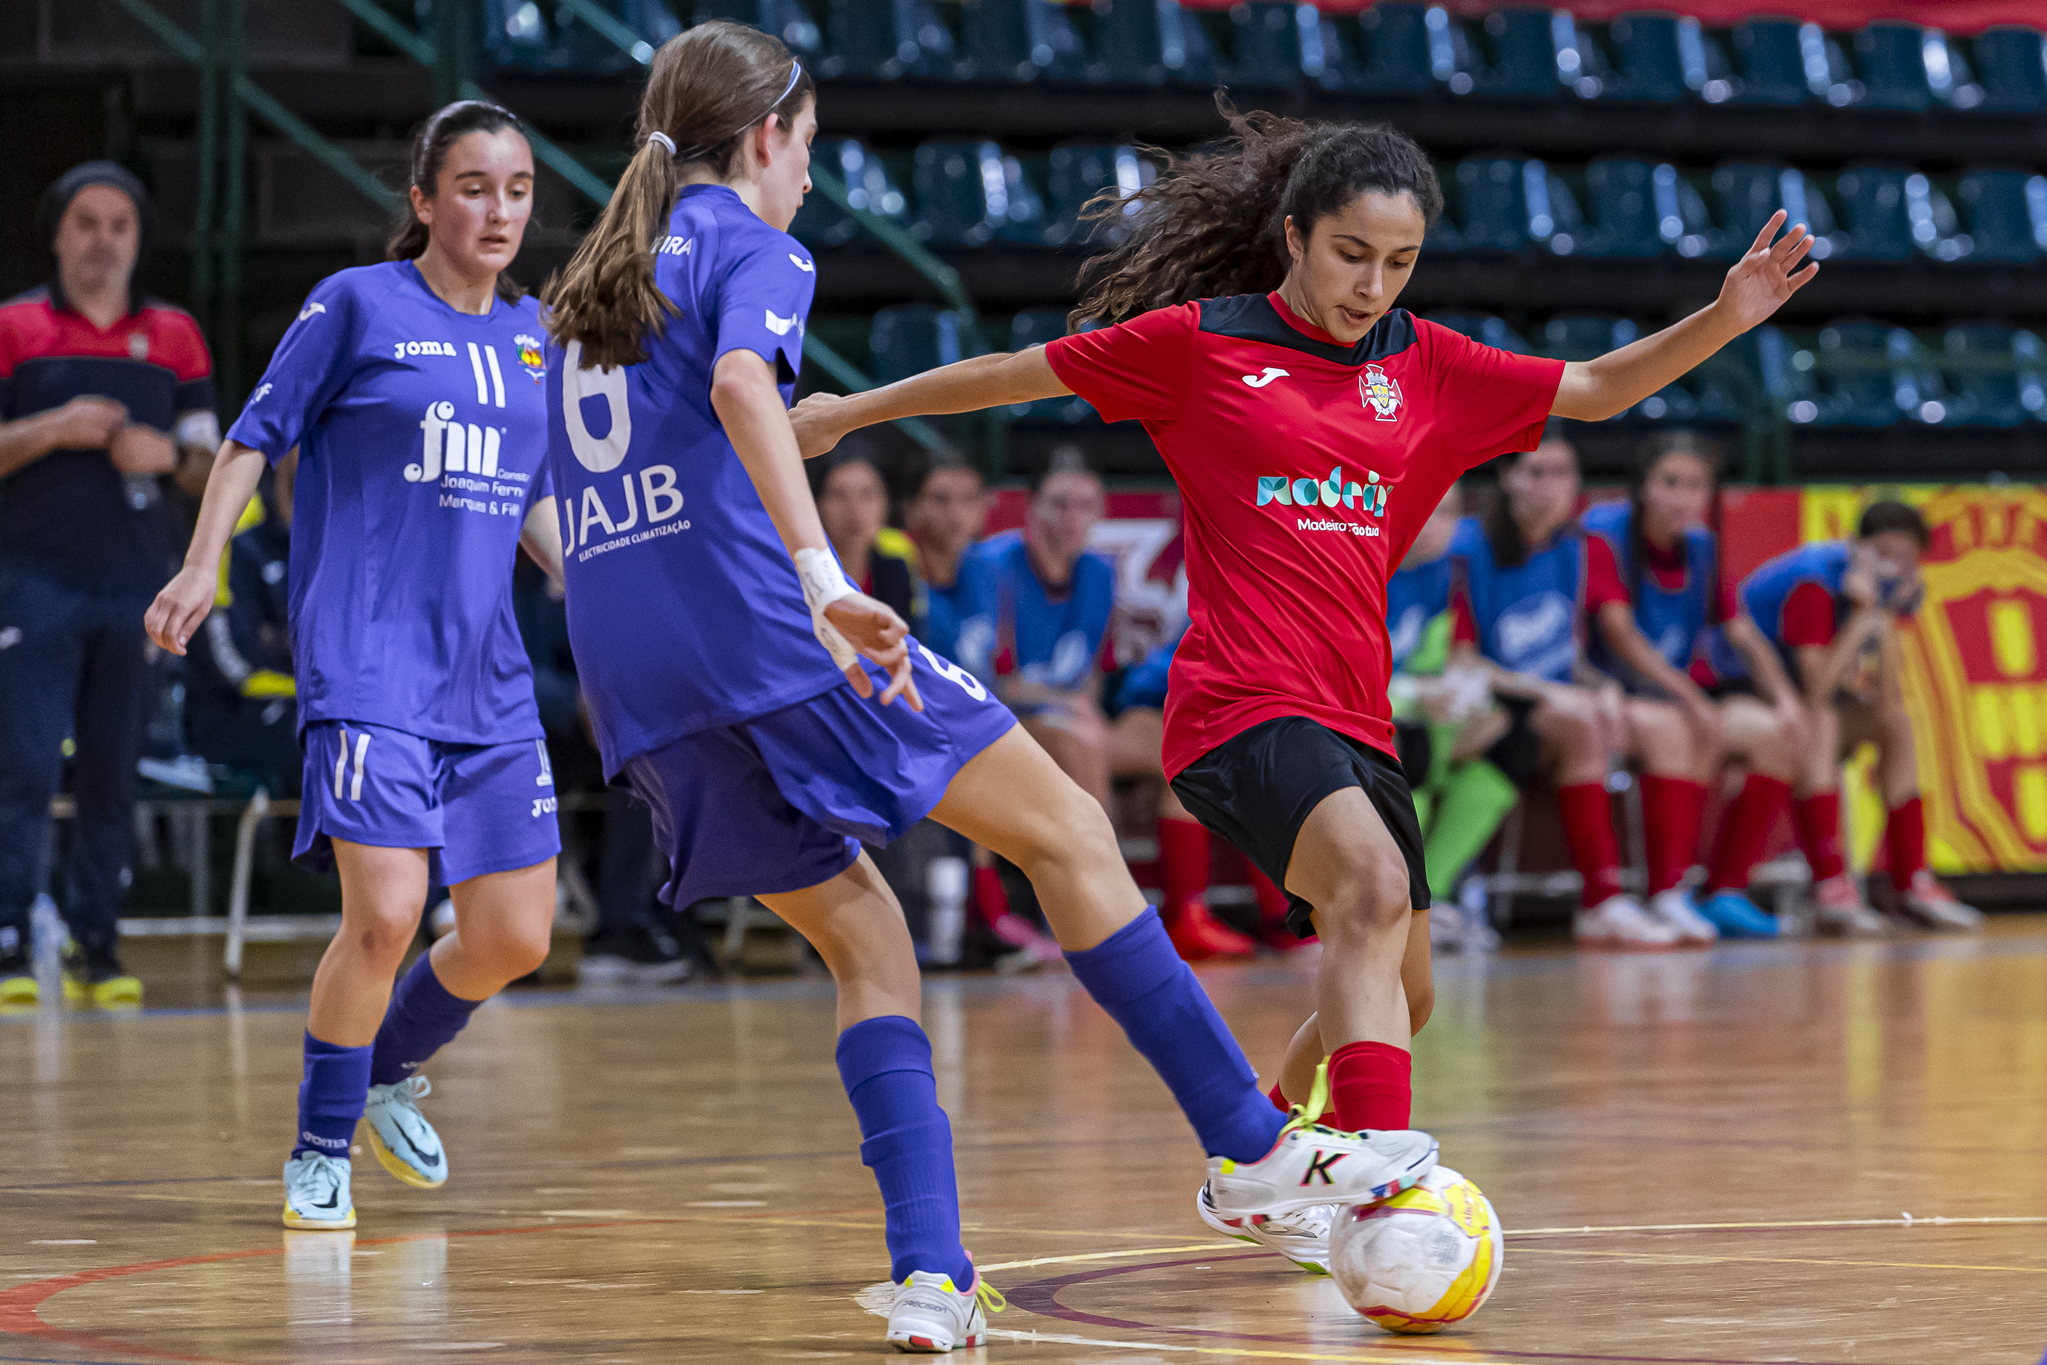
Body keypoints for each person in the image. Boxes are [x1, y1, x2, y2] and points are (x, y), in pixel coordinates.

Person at [792, 98, 1816, 1265]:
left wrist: (1724, 319)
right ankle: (1377, 1207)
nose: (1372, 284)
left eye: (1398, 262)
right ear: (1292, 236)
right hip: (1237, 704)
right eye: (1350, 254)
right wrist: (847, 411)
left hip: (1355, 723)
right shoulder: (1200, 345)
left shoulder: (1425, 364)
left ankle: (1265, 1153)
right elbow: (1009, 375)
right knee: (1370, 893)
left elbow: (1592, 390)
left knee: (1401, 989)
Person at [541, 29, 1439, 1349]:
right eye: (812, 143)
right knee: (1070, 831)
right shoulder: (748, 246)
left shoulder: (589, 284)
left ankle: (931, 1280)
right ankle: (1252, 1149)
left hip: (639, 680)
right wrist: (816, 575)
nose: (809, 174)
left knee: (869, 945)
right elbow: (743, 382)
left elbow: (560, 496)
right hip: (771, 639)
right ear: (771, 139)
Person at [145, 100, 565, 1232]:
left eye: (517, 189)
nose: (498, 210)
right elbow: (250, 437)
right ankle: (320, 1147)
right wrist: (201, 567)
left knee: (517, 935)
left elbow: (534, 497)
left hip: (488, 677)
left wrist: (595, 585)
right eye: (473, 187)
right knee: (386, 912)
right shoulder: (357, 305)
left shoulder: (534, 337)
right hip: (369, 663)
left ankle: (381, 1068)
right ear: (424, 199)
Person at [0, 162, 221, 1008]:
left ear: (137, 239)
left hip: (137, 588)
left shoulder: (174, 336)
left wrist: (167, 455)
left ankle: (99, 943)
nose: (102, 240)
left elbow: (211, 464)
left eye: (118, 225)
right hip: (32, 584)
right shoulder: (16, 325)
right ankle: (11, 941)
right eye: (85, 223)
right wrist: (52, 429)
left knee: (113, 774)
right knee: (21, 769)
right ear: (58, 234)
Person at [1450, 435, 1710, 948]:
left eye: (1561, 473)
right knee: (1581, 721)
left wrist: (1605, 686)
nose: (1548, 487)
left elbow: (1579, 657)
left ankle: (1667, 893)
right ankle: (1601, 902)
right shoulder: (1467, 546)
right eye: (1535, 472)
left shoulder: (1584, 549)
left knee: (1668, 726)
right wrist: (1547, 692)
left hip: (1565, 699)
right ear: (1507, 478)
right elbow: (1463, 659)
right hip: (1491, 702)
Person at [1581, 432, 1805, 939]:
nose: (1682, 497)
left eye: (1695, 485)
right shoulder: (1603, 534)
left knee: (1776, 735)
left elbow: (1740, 630)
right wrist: (1692, 698)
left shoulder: (1702, 546)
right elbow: (1621, 636)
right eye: (1670, 483)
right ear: (1641, 488)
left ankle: (1725, 890)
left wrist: (1786, 699)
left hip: (1679, 696)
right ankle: (1668, 892)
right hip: (1614, 692)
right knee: (1679, 728)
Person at [1737, 501, 1982, 934]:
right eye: (1886, 553)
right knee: (1825, 721)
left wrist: (1883, 614)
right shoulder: (1814, 584)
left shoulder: (1885, 590)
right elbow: (1816, 689)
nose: (1896, 567)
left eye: (1908, 559)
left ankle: (1911, 883)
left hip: (1800, 699)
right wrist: (1865, 616)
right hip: (1745, 693)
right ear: (1858, 549)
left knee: (1897, 724)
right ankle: (1830, 885)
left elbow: (1886, 698)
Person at [1384, 482, 1518, 950]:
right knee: (1412, 746)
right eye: (1426, 509)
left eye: (1450, 513)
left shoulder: (1442, 574)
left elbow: (1433, 665)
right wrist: (1418, 692)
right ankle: (1402, 902)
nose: (1436, 526)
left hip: (1404, 708)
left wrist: (1471, 704)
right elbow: (1337, 678)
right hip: (1347, 711)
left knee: (1510, 740)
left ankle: (1434, 892)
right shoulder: (1363, 569)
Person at [184, 457, 301, 796]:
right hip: (232, 711)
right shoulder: (240, 519)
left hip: (311, 706)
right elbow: (228, 653)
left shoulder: (347, 526)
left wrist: (281, 641)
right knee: (334, 745)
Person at [818, 451, 925, 632]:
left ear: (886, 504)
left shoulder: (896, 572)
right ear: (815, 503)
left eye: (867, 494)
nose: (853, 508)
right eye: (838, 494)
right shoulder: (797, 576)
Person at [902, 458, 992, 668]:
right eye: (940, 499)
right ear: (911, 509)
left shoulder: (993, 572)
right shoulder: (894, 573)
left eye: (968, 499)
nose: (955, 514)